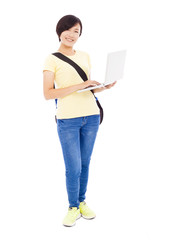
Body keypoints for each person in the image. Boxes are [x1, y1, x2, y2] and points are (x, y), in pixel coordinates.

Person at [43, 15, 116, 227]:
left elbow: (87, 89)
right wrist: (81, 84)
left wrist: (103, 87)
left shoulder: (85, 55)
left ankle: (82, 201)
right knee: (72, 167)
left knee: (85, 164)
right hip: (67, 119)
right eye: (68, 29)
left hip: (91, 116)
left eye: (76, 31)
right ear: (59, 31)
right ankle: (72, 207)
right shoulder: (51, 59)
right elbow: (48, 94)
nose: (72, 34)